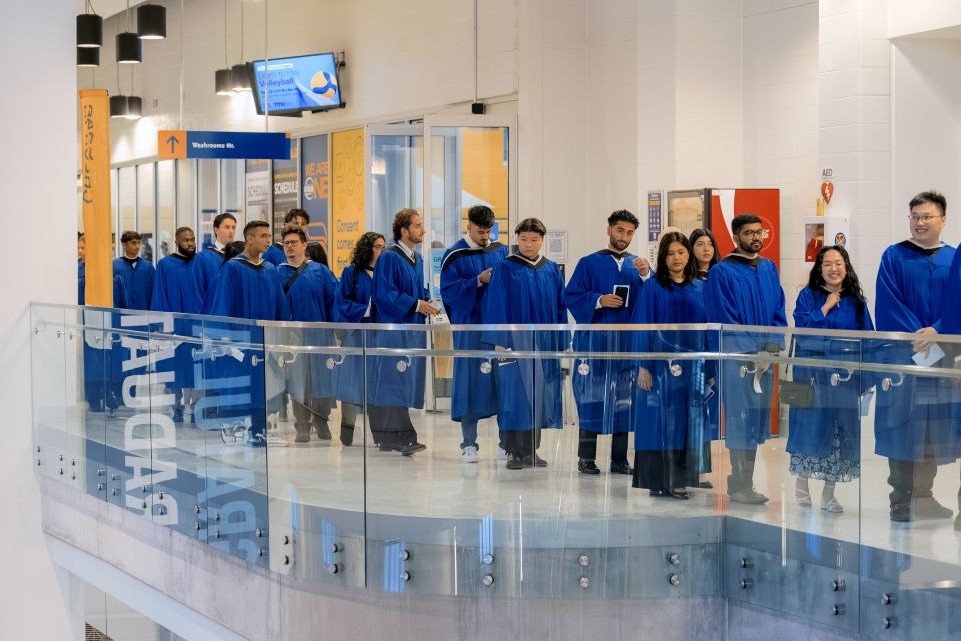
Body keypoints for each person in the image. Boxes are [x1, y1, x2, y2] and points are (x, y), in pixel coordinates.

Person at [873, 190, 956, 523]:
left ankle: (924, 495)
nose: (920, 223)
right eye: (915, 217)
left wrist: (938, 330)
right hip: (905, 359)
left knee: (933, 428)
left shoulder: (954, 258)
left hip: (943, 357)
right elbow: (887, 304)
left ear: (942, 220)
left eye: (927, 217)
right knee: (901, 426)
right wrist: (919, 337)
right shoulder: (893, 256)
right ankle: (901, 499)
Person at [704, 214, 786, 504]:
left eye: (758, 232)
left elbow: (778, 310)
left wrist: (771, 349)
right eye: (748, 233)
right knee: (740, 419)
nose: (755, 237)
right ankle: (739, 485)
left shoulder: (768, 268)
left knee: (756, 419)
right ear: (736, 237)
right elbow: (724, 318)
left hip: (765, 360)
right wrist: (751, 352)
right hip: (737, 360)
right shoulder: (721, 272)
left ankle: (745, 483)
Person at [788, 245, 873, 513]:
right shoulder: (808, 296)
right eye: (827, 264)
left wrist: (865, 378)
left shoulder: (856, 302)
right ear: (819, 268)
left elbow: (868, 340)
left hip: (844, 379)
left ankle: (829, 494)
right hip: (813, 378)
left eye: (838, 263)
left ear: (846, 267)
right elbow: (803, 334)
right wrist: (824, 308)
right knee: (809, 430)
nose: (833, 269)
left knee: (839, 434)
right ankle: (801, 486)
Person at [565, 209, 647, 476]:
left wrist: (646, 277)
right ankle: (586, 458)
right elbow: (572, 295)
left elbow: (654, 298)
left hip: (626, 344)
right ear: (609, 229)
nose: (624, 237)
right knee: (591, 398)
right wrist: (599, 300)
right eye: (620, 230)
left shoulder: (638, 265)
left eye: (630, 232)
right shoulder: (589, 263)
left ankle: (620, 459)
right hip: (595, 344)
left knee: (624, 401)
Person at [482, 217, 566, 470]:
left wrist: (560, 340)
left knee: (538, 396)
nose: (529, 244)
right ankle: (513, 452)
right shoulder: (505, 267)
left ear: (542, 240)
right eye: (524, 239)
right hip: (514, 342)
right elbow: (496, 304)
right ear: (517, 239)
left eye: (534, 239)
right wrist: (499, 341)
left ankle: (531, 450)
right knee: (514, 396)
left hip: (544, 342)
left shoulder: (551, 269)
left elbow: (560, 307)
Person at [631, 231, 710, 498]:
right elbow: (642, 326)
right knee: (660, 423)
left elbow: (708, 330)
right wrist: (643, 365)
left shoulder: (700, 288)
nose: (676, 258)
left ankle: (680, 478)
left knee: (687, 422)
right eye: (670, 253)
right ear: (663, 258)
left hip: (692, 368)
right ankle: (659, 480)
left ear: (689, 255)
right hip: (660, 369)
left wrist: (709, 370)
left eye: (681, 252)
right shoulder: (653, 288)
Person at [206, 220, 290, 447]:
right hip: (240, 341)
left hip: (264, 340)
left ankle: (259, 429)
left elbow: (280, 308)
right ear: (250, 238)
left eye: (269, 235)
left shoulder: (269, 269)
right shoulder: (232, 268)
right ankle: (232, 427)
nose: (268, 240)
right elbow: (223, 305)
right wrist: (226, 340)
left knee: (261, 385)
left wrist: (280, 337)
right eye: (264, 236)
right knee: (238, 384)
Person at [440, 205, 509, 463]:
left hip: (496, 326)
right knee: (469, 383)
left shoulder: (501, 251)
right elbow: (449, 292)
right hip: (469, 327)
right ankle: (468, 443)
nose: (485, 236)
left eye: (489, 231)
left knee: (502, 384)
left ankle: (505, 443)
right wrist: (477, 281)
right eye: (481, 232)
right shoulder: (454, 255)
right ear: (468, 226)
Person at [369, 209, 438, 455]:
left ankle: (389, 438)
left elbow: (418, 290)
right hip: (394, 329)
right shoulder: (389, 257)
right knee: (393, 381)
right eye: (418, 226)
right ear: (404, 231)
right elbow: (384, 295)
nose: (423, 230)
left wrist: (427, 300)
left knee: (402, 381)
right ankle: (402, 436)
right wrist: (417, 304)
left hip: (412, 329)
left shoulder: (416, 258)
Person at [276, 225, 339, 443]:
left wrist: (336, 330)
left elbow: (333, 301)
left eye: (294, 242)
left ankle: (322, 420)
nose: (290, 247)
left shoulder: (320, 271)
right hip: (293, 337)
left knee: (323, 379)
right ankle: (302, 425)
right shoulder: (277, 273)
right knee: (298, 381)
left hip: (320, 335)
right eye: (286, 243)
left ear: (304, 245)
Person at [334, 232, 386, 447]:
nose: (381, 250)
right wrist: (366, 308)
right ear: (367, 248)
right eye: (377, 246)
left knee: (377, 385)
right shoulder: (352, 272)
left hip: (379, 336)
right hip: (356, 335)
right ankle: (347, 432)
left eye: (383, 247)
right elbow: (341, 301)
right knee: (351, 384)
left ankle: (379, 434)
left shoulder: (385, 273)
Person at [150, 227, 205, 423]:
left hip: (197, 325)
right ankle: (176, 406)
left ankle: (198, 407)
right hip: (175, 326)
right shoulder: (165, 265)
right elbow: (160, 294)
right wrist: (162, 324)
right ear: (176, 242)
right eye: (185, 240)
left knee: (197, 366)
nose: (190, 243)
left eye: (192, 239)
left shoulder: (201, 262)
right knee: (174, 367)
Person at [688, 227, 721, 487]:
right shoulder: (686, 281)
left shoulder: (721, 277)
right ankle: (690, 470)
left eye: (709, 243)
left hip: (716, 352)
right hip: (693, 353)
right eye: (699, 243)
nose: (706, 248)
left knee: (707, 415)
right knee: (693, 413)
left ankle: (701, 470)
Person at [195, 212, 237, 298]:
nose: (231, 231)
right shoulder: (202, 258)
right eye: (227, 227)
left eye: (233, 228)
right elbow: (198, 290)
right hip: (212, 305)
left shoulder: (239, 256)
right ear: (216, 230)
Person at [112, 231, 155, 310]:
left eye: (139, 243)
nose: (137, 246)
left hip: (144, 312)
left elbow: (154, 291)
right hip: (122, 313)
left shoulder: (148, 267)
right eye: (133, 243)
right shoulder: (114, 266)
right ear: (124, 245)